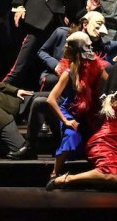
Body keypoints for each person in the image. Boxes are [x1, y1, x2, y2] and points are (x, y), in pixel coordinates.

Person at [46, 53, 117, 190]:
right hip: (104, 142)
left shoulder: (110, 95)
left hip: (112, 143)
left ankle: (83, 180)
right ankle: (67, 179)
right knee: (112, 176)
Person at [5, 0, 81, 89]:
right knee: (18, 67)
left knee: (36, 68)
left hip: (49, 29)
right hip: (36, 24)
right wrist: (18, 5)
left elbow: (61, 4)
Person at [45, 31, 109, 178]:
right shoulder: (69, 73)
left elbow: (111, 83)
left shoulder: (97, 68)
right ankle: (54, 173)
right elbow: (51, 99)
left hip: (89, 113)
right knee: (71, 135)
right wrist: (66, 120)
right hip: (71, 113)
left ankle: (99, 170)